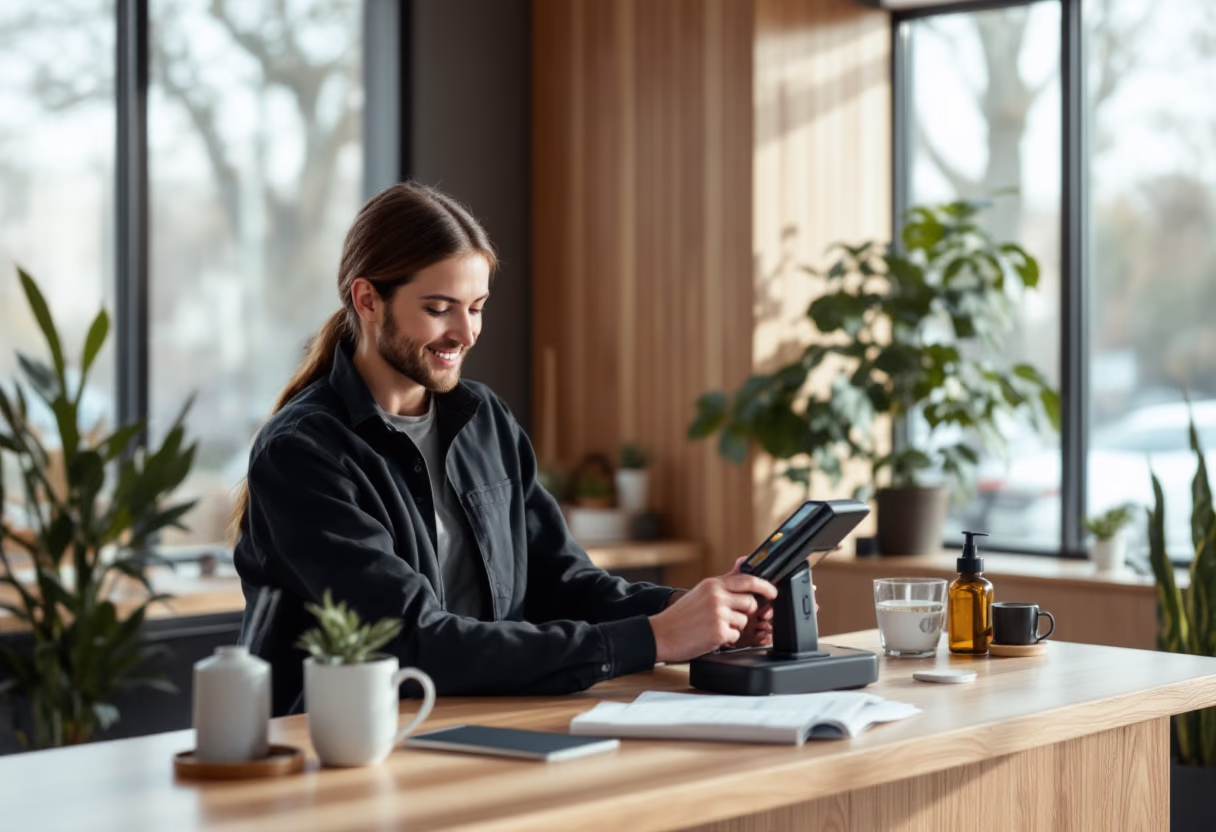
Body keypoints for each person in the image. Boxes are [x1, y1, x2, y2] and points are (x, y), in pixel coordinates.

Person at [231, 182, 776, 715]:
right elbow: (412, 642)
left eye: (477, 307)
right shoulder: (302, 452)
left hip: (487, 720)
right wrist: (654, 639)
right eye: (440, 308)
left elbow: (563, 582)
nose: (465, 333)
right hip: (348, 750)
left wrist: (691, 612)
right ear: (369, 300)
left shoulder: (483, 419)